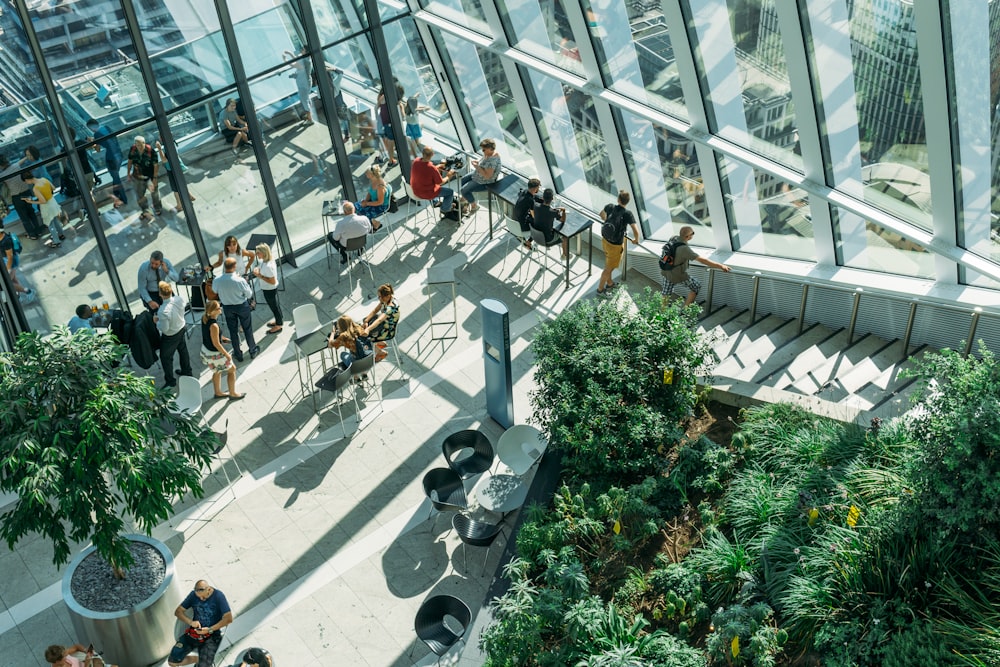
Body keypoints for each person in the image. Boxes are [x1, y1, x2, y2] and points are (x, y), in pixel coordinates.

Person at [168, 580, 234, 667]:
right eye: (199, 597)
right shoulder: (193, 595)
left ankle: (204, 662)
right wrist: (191, 622)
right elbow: (178, 612)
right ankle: (198, 659)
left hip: (211, 635)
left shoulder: (218, 596)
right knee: (172, 661)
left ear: (209, 590)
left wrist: (209, 629)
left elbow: (228, 619)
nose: (201, 599)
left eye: (203, 597)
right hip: (193, 633)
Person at [661, 225, 731, 306]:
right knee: (696, 286)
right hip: (677, 274)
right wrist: (721, 266)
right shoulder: (684, 249)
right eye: (692, 233)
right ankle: (685, 311)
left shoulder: (673, 238)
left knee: (666, 293)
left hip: (666, 270)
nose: (693, 235)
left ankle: (663, 314)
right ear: (688, 236)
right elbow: (702, 260)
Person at [213, 257, 258, 362]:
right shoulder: (240, 280)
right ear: (234, 267)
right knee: (247, 329)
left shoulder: (217, 280)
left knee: (233, 331)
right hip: (241, 306)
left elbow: (214, 290)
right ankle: (252, 350)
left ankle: (238, 354)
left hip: (227, 308)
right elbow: (249, 294)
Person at [597, 190, 640, 295]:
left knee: (609, 263)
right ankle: (600, 290)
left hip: (605, 240)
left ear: (618, 199)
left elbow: (601, 214)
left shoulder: (610, 207)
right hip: (615, 246)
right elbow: (635, 230)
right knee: (608, 269)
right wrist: (636, 240)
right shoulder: (627, 214)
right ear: (627, 201)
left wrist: (608, 222)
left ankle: (610, 283)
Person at [200, 300, 243, 399]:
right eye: (218, 308)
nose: (220, 309)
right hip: (215, 353)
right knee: (232, 369)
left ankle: (218, 392)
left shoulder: (204, 318)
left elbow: (210, 335)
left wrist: (222, 338)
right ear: (212, 312)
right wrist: (226, 354)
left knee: (217, 371)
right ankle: (232, 393)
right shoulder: (214, 325)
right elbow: (216, 343)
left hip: (206, 351)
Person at [154, 281, 193, 387]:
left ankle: (170, 381)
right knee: (183, 350)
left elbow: (165, 329)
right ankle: (187, 371)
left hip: (171, 336)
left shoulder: (162, 311)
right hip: (181, 328)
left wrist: (157, 322)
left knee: (165, 357)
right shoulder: (179, 299)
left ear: (160, 294)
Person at [1, 154, 44, 239]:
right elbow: (22, 161)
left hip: (16, 198)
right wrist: (27, 156)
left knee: (24, 218)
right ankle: (38, 231)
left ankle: (32, 235)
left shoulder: (2, 175)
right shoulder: (16, 165)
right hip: (26, 193)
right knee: (31, 213)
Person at [86, 119, 127, 206]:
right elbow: (107, 139)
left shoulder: (96, 134)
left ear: (91, 127)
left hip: (111, 158)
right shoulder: (106, 127)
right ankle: (117, 195)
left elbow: (97, 149)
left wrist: (92, 141)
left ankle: (123, 199)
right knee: (115, 177)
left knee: (116, 179)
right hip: (119, 154)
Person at [21, 171, 67, 247]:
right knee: (55, 220)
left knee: (50, 224)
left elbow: (43, 201)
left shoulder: (36, 188)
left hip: (47, 207)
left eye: (25, 181)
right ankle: (61, 234)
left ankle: (56, 241)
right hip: (53, 202)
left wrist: (31, 202)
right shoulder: (44, 179)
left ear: (27, 180)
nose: (26, 183)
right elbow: (53, 188)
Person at [409, 146, 457, 216]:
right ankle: (445, 209)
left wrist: (436, 167)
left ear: (422, 153)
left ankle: (435, 202)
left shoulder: (416, 161)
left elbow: (424, 171)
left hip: (415, 190)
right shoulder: (431, 168)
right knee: (450, 192)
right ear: (432, 155)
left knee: (428, 183)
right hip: (426, 193)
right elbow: (440, 182)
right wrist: (448, 176)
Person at [460, 137, 501, 214]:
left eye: (484, 150)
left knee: (463, 190)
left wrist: (476, 167)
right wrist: (478, 161)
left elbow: (487, 176)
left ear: (489, 148)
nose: (482, 151)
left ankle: (474, 205)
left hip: (485, 181)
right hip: (478, 174)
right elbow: (483, 158)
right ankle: (465, 198)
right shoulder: (490, 153)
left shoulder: (493, 161)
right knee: (463, 179)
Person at [125, 135, 161, 220]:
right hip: (137, 177)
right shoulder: (133, 150)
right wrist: (128, 173)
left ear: (144, 143)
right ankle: (146, 211)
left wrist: (155, 178)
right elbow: (130, 162)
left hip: (150, 177)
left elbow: (156, 165)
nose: (139, 147)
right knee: (140, 196)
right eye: (137, 145)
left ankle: (157, 208)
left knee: (155, 193)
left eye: (141, 145)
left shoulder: (150, 151)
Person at [154, 140, 196, 213]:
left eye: (160, 135)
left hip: (172, 169)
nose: (159, 138)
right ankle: (189, 196)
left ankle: (179, 205)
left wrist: (159, 149)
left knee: (175, 188)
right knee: (180, 183)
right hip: (177, 167)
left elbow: (164, 160)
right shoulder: (172, 142)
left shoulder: (167, 146)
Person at [361, 283, 399, 363]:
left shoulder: (391, 307)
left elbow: (379, 320)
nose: (379, 298)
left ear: (387, 296)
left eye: (380, 297)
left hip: (388, 330)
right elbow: (375, 310)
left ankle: (381, 352)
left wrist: (367, 329)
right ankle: (380, 343)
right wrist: (366, 320)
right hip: (384, 324)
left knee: (365, 338)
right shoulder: (386, 300)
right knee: (365, 322)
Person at [529, 188, 569, 257]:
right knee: (565, 236)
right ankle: (565, 255)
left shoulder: (535, 206)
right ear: (552, 199)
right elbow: (563, 220)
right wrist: (564, 211)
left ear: (542, 197)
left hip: (536, 236)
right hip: (547, 240)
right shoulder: (553, 212)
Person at [253, 243, 282, 334]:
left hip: (269, 289)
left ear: (264, 253)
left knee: (274, 307)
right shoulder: (266, 260)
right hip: (268, 288)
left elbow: (272, 281)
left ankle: (279, 325)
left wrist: (259, 276)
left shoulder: (268, 266)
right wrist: (257, 269)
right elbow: (260, 266)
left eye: (258, 253)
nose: (257, 255)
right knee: (275, 305)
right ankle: (279, 320)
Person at [0, 226, 34, 301]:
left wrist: (8, 270)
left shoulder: (5, 241)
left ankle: (28, 291)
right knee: (13, 280)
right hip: (7, 260)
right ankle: (18, 296)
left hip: (11, 262)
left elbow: (10, 257)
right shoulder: (2, 237)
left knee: (7, 283)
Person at [354, 165, 391, 230]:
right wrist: (365, 201)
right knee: (355, 206)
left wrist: (367, 204)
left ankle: (375, 224)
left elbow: (380, 202)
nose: (365, 173)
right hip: (373, 202)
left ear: (372, 174)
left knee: (361, 213)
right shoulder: (374, 180)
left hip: (381, 206)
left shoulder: (380, 186)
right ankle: (369, 222)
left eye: (367, 173)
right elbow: (370, 192)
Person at [284, 47, 314, 125]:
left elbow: (293, 65)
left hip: (304, 84)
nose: (301, 50)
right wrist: (290, 53)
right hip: (305, 82)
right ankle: (309, 116)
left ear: (306, 51)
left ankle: (310, 119)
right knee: (305, 99)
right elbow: (297, 60)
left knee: (305, 100)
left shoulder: (305, 61)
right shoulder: (305, 58)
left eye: (303, 49)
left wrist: (284, 59)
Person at [44, 642, 117, 667]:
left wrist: (86, 651)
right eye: (64, 656)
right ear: (57, 661)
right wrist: (87, 664)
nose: (67, 655)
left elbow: (76, 647)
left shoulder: (62, 654)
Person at [402, 92, 429, 157]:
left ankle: (414, 152)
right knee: (417, 142)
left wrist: (415, 96)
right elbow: (428, 108)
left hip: (409, 126)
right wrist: (424, 107)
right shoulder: (416, 110)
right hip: (415, 127)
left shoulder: (406, 107)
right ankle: (417, 154)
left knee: (414, 137)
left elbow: (409, 102)